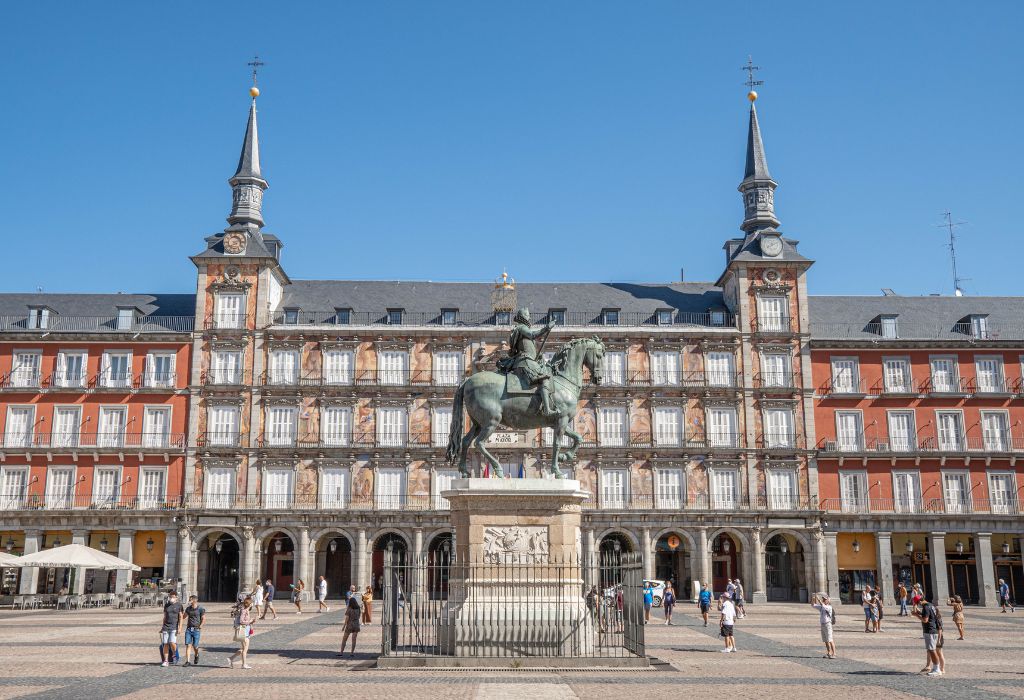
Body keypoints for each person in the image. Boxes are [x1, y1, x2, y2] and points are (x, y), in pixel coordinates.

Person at [497, 307, 557, 416]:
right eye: (528, 315)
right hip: (525, 361)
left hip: (527, 360)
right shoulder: (521, 328)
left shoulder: (520, 329)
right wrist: (547, 327)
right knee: (544, 378)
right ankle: (547, 410)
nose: (530, 317)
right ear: (524, 316)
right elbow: (533, 335)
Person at [911, 594, 943, 676]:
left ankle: (937, 669)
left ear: (919, 601)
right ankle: (935, 667)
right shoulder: (930, 605)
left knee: (932, 650)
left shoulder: (925, 607)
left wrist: (916, 615)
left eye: (917, 603)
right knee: (931, 649)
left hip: (930, 630)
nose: (918, 605)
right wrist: (919, 613)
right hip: (933, 630)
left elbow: (925, 620)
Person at [228, 596, 255, 669]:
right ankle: (244, 664)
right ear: (250, 604)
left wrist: (251, 621)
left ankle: (231, 658)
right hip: (243, 631)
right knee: (245, 649)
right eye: (252, 603)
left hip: (246, 630)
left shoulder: (247, 610)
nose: (253, 604)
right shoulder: (244, 611)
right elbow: (241, 621)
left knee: (244, 648)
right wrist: (250, 621)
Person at [159, 590, 184, 667]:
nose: (171, 598)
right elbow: (165, 616)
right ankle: (166, 660)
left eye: (173, 597)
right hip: (166, 626)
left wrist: (180, 628)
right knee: (165, 643)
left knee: (172, 642)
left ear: (176, 597)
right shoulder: (166, 605)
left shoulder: (179, 605)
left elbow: (181, 617)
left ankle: (174, 654)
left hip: (174, 626)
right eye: (170, 597)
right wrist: (162, 627)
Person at [182, 595, 206, 667]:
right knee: (188, 645)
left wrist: (200, 626)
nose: (189, 601)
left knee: (195, 646)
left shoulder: (200, 609)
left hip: (196, 629)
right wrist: (180, 615)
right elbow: (184, 616)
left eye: (190, 599)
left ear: (195, 600)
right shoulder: (188, 609)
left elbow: (203, 618)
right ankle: (188, 661)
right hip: (189, 629)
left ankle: (196, 654)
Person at [810, 593, 836, 659]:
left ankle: (834, 653)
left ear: (828, 600)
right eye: (823, 599)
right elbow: (813, 605)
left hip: (828, 625)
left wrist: (818, 599)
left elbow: (823, 605)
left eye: (825, 599)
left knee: (830, 639)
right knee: (825, 640)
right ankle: (829, 652)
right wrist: (813, 598)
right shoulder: (822, 607)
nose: (824, 600)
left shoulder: (829, 607)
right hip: (823, 625)